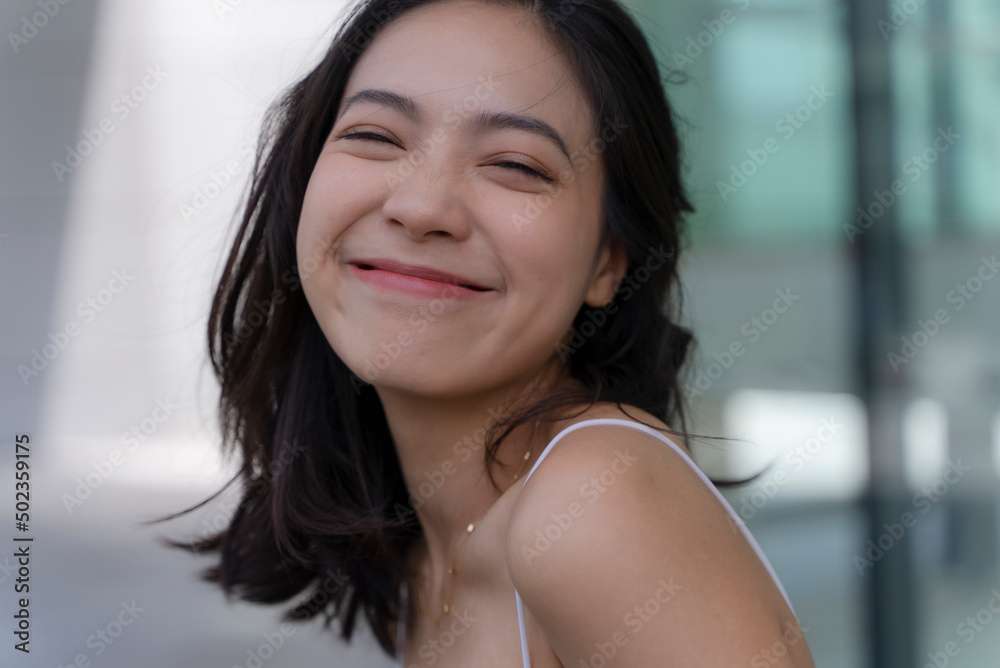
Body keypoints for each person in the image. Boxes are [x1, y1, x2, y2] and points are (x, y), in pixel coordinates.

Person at [159, 0, 816, 666]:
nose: (421, 208)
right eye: (376, 136)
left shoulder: (593, 500)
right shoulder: (424, 554)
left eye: (516, 165)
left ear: (607, 261)